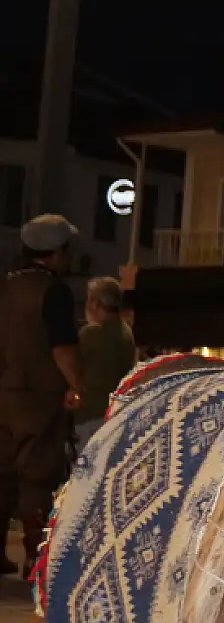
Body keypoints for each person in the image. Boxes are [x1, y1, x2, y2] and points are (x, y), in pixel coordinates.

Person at [0, 215, 86, 577]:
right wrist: (77, 385)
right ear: (57, 252)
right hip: (40, 397)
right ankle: (35, 558)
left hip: (4, 391)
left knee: (3, 473)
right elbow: (62, 348)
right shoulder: (54, 291)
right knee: (37, 475)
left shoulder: (6, 286)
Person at [75, 276, 136, 446]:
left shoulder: (92, 333)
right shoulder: (126, 332)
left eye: (89, 300)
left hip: (90, 417)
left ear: (95, 303)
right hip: (117, 415)